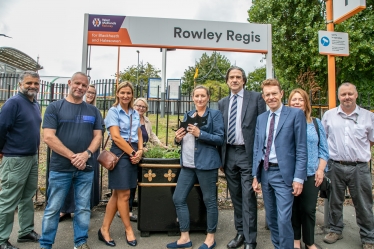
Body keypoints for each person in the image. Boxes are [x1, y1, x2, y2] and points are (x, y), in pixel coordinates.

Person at [39, 72, 103, 249]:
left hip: (86, 168)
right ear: (69, 83)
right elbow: (48, 137)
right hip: (60, 168)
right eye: (77, 83)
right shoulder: (55, 108)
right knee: (53, 208)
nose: (80, 88)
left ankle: (80, 242)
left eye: (84, 85)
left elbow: (98, 136)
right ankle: (45, 244)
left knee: (83, 208)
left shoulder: (93, 111)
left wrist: (86, 154)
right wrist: (73, 156)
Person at [167, 85, 224, 249]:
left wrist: (201, 134)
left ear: (208, 98)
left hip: (206, 164)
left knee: (209, 201)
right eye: (197, 96)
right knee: (178, 198)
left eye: (203, 96)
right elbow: (183, 139)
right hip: (188, 164)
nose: (199, 99)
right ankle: (185, 238)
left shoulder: (215, 115)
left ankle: (210, 238)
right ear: (192, 98)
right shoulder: (188, 114)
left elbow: (220, 138)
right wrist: (177, 139)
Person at [252, 79, 307, 249]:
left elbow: (301, 149)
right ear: (263, 97)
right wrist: (256, 175)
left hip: (285, 175)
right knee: (272, 219)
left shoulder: (295, 115)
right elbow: (257, 148)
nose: (271, 97)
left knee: (284, 219)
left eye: (274, 93)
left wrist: (299, 178)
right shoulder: (261, 118)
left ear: (281, 94)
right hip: (266, 173)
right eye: (267, 94)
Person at [218, 66, 266, 249]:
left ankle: (250, 239)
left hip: (247, 154)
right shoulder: (222, 102)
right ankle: (240, 233)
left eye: (238, 77)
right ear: (227, 81)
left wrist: (260, 158)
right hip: (229, 153)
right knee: (236, 197)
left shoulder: (255, 98)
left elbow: (261, 127)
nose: (235, 80)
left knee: (248, 197)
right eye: (231, 77)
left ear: (244, 80)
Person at [322, 82, 374, 249]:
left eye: (350, 94)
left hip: (359, 167)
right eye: (343, 94)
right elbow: (324, 139)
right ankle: (335, 230)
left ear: (356, 95)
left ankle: (368, 237)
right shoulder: (329, 116)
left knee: (363, 203)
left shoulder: (368, 116)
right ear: (338, 97)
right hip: (335, 165)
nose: (347, 97)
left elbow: (371, 140)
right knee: (334, 201)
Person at [0, 71, 42, 249]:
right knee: (8, 200)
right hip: (15, 158)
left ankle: (25, 231)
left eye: (36, 83)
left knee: (27, 197)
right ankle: (1, 239)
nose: (33, 86)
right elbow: (1, 127)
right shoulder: (13, 103)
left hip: (31, 157)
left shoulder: (35, 104)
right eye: (29, 83)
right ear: (20, 84)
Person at [99, 81, 143, 247]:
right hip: (120, 152)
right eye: (122, 93)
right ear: (117, 94)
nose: (125, 96)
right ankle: (128, 229)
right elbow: (116, 137)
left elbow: (139, 132)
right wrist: (133, 153)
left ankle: (104, 229)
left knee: (118, 194)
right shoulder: (113, 111)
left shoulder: (134, 112)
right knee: (124, 195)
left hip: (132, 152)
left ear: (132, 95)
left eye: (128, 93)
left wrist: (140, 150)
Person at [288, 89, 329, 249]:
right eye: (294, 100)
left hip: (312, 173)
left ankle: (310, 242)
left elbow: (324, 150)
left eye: (300, 100)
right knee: (294, 209)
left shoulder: (316, 124)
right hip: (291, 175)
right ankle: (296, 241)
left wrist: (320, 170)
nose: (297, 102)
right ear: (289, 103)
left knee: (309, 209)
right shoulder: (286, 123)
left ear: (306, 103)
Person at [117, 97, 168, 222]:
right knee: (130, 182)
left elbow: (151, 136)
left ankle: (141, 204)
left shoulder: (146, 120)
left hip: (143, 154)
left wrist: (161, 146)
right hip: (130, 153)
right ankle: (125, 210)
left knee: (140, 181)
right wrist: (138, 150)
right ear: (133, 106)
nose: (141, 108)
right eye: (138, 106)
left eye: (143, 107)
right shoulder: (129, 118)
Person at [59, 84, 101, 222]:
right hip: (70, 152)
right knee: (68, 181)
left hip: (89, 152)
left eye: (93, 93)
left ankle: (84, 208)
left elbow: (99, 132)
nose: (90, 95)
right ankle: (66, 208)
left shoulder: (94, 110)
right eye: (89, 92)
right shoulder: (69, 107)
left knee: (86, 181)